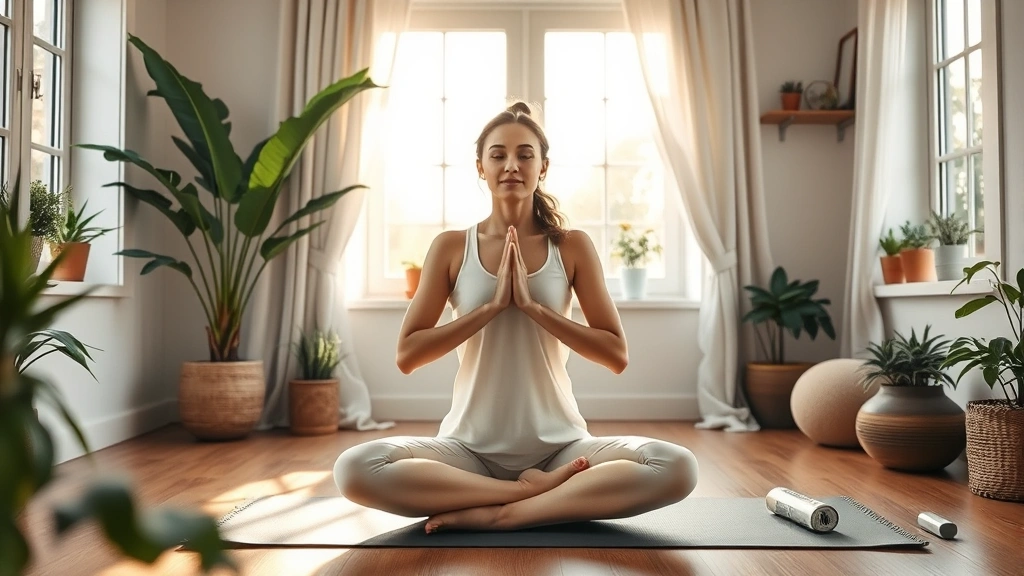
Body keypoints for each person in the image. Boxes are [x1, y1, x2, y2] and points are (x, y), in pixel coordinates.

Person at [333, 102, 698, 533]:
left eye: (525, 154)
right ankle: (527, 495)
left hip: (561, 448)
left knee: (676, 465)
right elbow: (408, 355)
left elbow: (615, 355)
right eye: (498, 155)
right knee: (356, 466)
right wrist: (489, 309)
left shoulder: (572, 246)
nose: (511, 165)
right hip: (467, 452)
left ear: (543, 167)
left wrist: (533, 308)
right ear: (480, 167)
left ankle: (503, 516)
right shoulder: (451, 247)